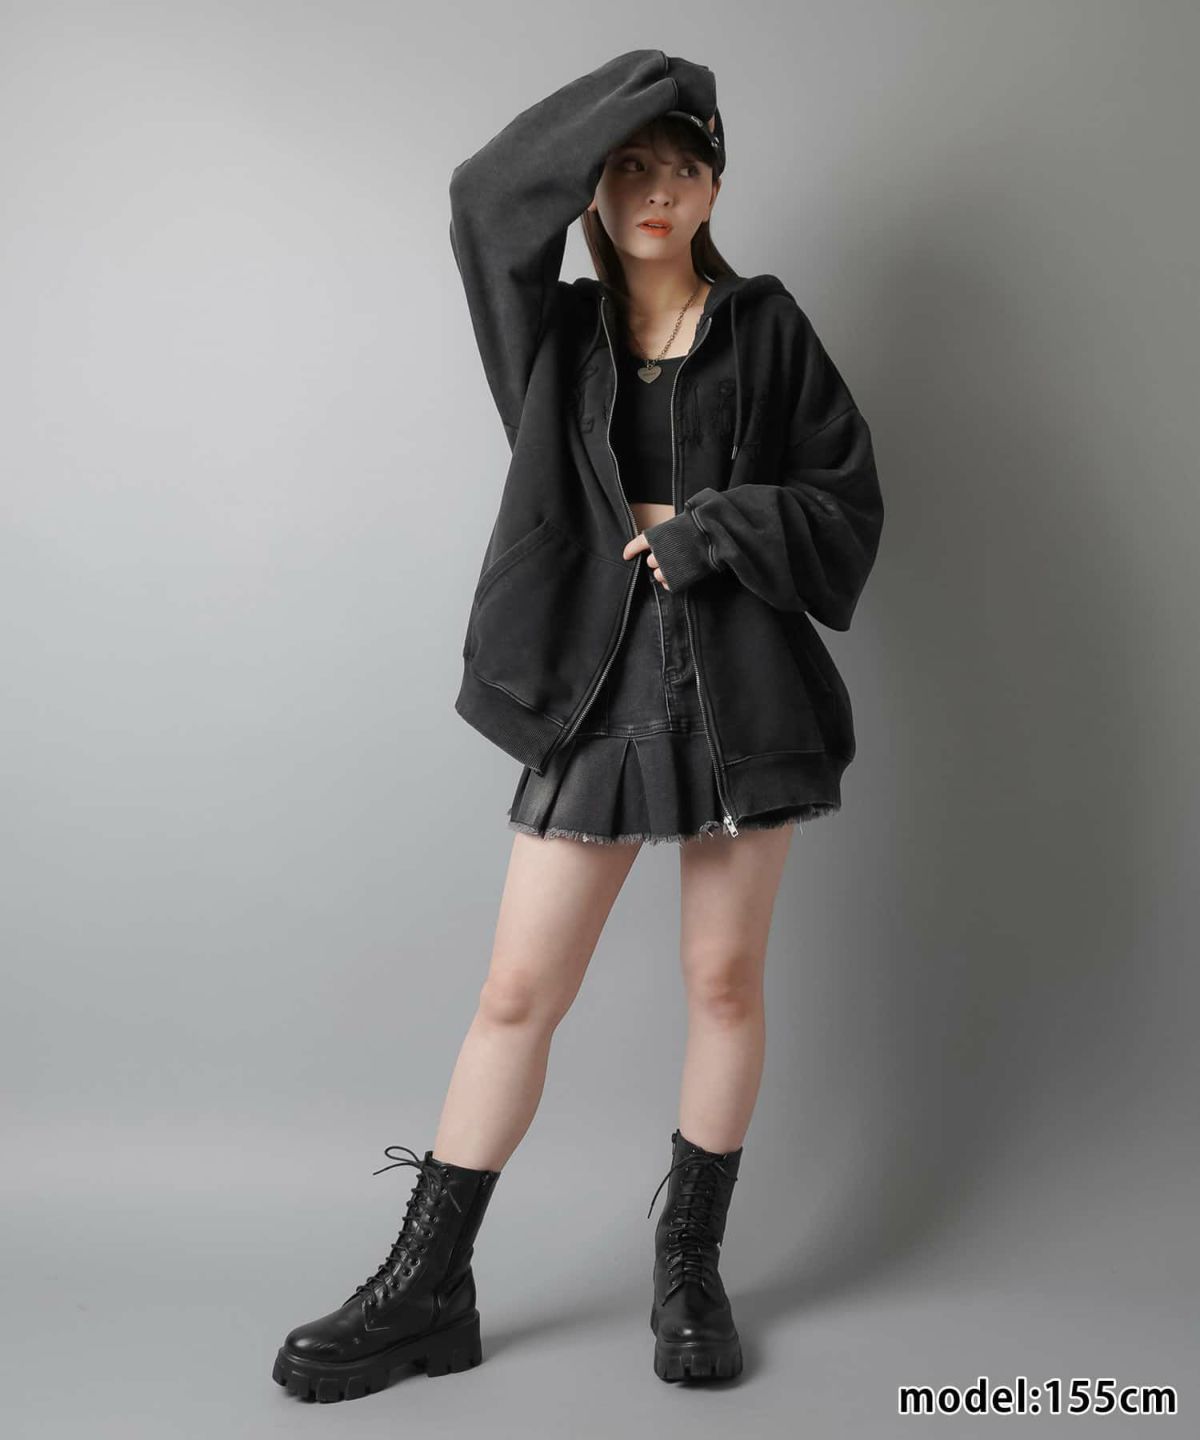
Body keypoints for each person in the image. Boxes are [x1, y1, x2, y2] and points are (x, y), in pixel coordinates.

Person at [273, 49, 883, 1400]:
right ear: (593, 192)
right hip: (595, 684)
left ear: (716, 185)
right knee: (515, 995)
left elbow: (846, 503)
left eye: (682, 165)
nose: (657, 189)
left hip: (746, 689)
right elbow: (484, 198)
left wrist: (716, 529)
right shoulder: (552, 334)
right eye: (629, 168)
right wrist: (649, 86)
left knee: (723, 984)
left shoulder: (769, 324)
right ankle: (429, 1285)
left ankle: (689, 1270)